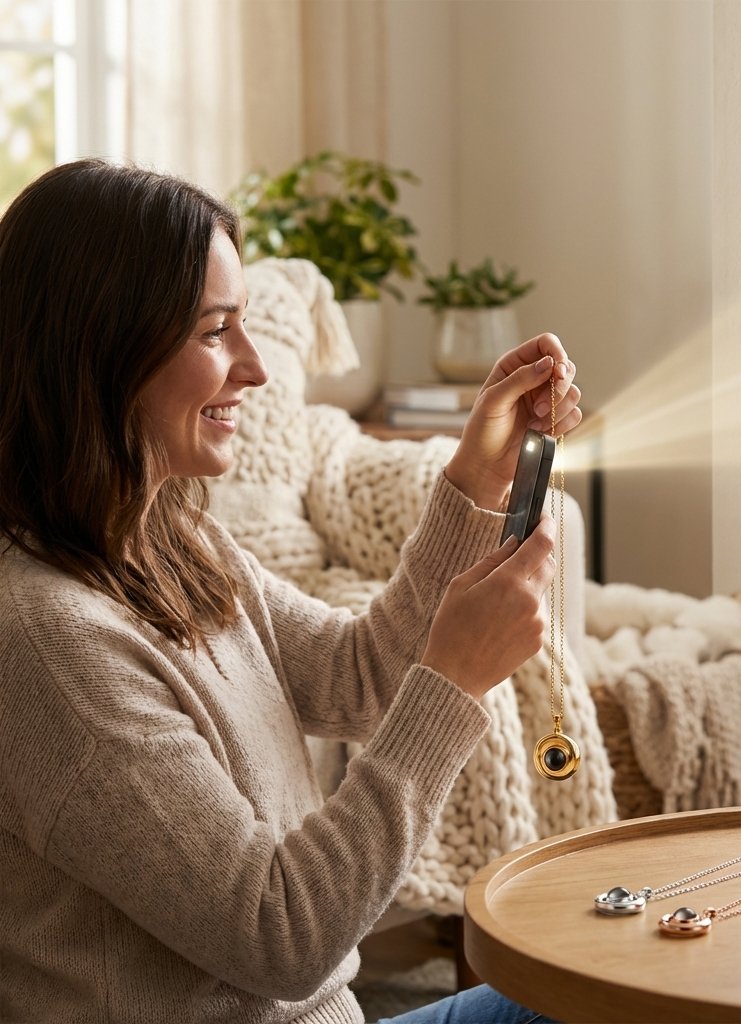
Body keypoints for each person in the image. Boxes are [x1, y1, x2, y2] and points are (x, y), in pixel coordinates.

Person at [0, 159, 577, 1024]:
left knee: (618, 988)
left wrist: (473, 481)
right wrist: (453, 682)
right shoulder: (51, 643)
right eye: (214, 331)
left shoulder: (172, 537)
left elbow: (358, 677)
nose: (256, 367)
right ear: (99, 348)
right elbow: (281, 935)